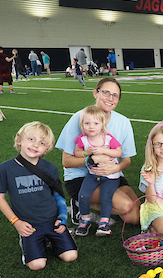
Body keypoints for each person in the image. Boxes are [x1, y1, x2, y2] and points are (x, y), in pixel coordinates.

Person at [0, 121, 78, 271]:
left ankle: (50, 240)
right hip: (28, 225)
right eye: (31, 139)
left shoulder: (50, 168)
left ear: (47, 149)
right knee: (37, 265)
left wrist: (62, 218)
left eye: (42, 142)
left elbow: (58, 195)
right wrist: (16, 222)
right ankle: (29, 242)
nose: (36, 145)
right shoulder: (5, 168)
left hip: (53, 221)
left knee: (70, 256)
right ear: (19, 140)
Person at [56, 78, 140, 226]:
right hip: (81, 177)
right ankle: (82, 201)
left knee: (134, 217)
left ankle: (86, 202)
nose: (110, 98)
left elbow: (126, 160)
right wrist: (92, 158)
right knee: (125, 205)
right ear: (95, 93)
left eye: (115, 95)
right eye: (106, 92)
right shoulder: (80, 119)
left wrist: (116, 167)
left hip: (111, 174)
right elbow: (67, 162)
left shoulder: (123, 122)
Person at [73, 105, 123, 237]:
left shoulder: (108, 138)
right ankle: (85, 220)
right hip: (93, 174)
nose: (91, 126)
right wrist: (86, 152)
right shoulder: (83, 139)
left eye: (95, 123)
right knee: (83, 195)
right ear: (82, 124)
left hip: (111, 175)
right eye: (87, 123)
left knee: (106, 197)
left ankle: (104, 223)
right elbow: (77, 153)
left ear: (102, 124)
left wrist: (104, 150)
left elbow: (118, 151)